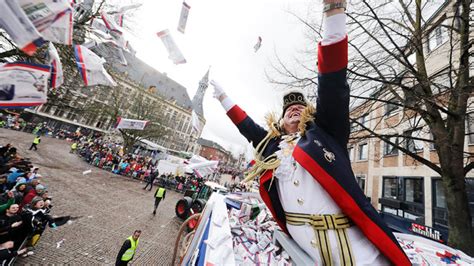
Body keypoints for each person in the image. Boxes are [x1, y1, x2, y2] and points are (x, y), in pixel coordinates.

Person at [210, 1, 410, 265]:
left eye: (299, 107)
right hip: (305, 256)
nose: (294, 109)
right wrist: (223, 98)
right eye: (288, 109)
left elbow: (332, 86)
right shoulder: (273, 148)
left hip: (358, 256)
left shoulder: (326, 133)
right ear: (280, 122)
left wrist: (333, 18)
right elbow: (247, 127)